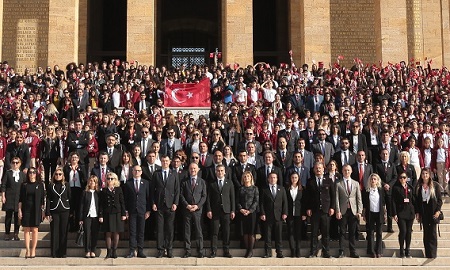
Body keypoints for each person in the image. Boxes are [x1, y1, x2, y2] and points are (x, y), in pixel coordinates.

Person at [305, 162, 335, 258]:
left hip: (325, 210)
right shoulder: (310, 181)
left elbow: (333, 195)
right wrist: (308, 208)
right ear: (314, 170)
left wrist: (332, 207)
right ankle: (313, 252)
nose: (318, 170)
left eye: (320, 168)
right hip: (314, 211)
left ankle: (326, 252)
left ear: (323, 169)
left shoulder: (329, 180)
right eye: (316, 168)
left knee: (325, 233)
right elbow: (307, 197)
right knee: (314, 233)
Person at [151, 156, 180, 258]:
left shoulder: (174, 174)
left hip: (170, 205)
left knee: (169, 229)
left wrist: (175, 203)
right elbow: (152, 190)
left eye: (167, 161)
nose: (165, 162)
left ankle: (169, 249)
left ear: (170, 162)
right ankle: (160, 249)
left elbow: (177, 190)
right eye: (163, 161)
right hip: (159, 205)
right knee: (159, 228)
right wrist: (153, 203)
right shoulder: (156, 174)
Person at [205, 164, 235, 258]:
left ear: (225, 172)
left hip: (226, 211)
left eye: (222, 171)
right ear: (215, 172)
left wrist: (233, 210)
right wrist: (209, 210)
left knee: (226, 231)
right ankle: (213, 251)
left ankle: (226, 251)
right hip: (215, 211)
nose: (220, 172)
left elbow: (232, 198)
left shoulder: (229, 183)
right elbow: (208, 198)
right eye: (218, 171)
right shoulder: (211, 183)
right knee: (214, 232)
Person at [123, 165, 151, 258]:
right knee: (132, 231)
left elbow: (148, 198)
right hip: (132, 211)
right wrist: (126, 210)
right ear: (132, 171)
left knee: (141, 231)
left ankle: (140, 251)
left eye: (139, 170)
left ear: (141, 172)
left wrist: (148, 210)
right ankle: (132, 250)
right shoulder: (128, 183)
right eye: (135, 170)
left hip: (142, 210)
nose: (137, 172)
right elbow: (125, 199)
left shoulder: (146, 183)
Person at [180, 162, 207, 258]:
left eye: (195, 168)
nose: (193, 170)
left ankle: (200, 250)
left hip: (197, 210)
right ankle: (187, 250)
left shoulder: (202, 182)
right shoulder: (184, 181)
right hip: (187, 210)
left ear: (198, 170)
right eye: (191, 168)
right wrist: (187, 205)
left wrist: (197, 206)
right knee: (187, 231)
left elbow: (204, 196)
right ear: (189, 170)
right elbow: (181, 195)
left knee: (199, 231)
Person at [414, 168, 443, 258]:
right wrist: (417, 212)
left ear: (429, 175)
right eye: (423, 173)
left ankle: (433, 253)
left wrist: (438, 211)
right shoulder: (419, 186)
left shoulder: (435, 185)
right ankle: (427, 253)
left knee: (433, 233)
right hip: (424, 211)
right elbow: (417, 201)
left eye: (426, 173)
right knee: (426, 233)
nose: (425, 175)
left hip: (433, 211)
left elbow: (439, 200)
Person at [335, 164, 362, 258]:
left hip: (353, 211)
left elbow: (359, 198)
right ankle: (341, 251)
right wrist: (337, 211)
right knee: (342, 232)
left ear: (351, 171)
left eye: (348, 170)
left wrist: (359, 211)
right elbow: (336, 199)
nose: (347, 172)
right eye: (345, 170)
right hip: (343, 211)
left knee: (352, 232)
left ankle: (352, 251)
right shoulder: (338, 183)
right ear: (342, 171)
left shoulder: (356, 183)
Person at [18, 167, 45, 258]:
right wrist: (19, 210)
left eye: (34, 172)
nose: (32, 174)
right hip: (26, 209)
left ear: (36, 174)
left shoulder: (40, 184)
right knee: (26, 229)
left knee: (34, 229)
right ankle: (27, 249)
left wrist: (43, 211)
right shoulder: (24, 185)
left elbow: (42, 200)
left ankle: (33, 249)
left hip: (36, 209)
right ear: (28, 174)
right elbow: (20, 199)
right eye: (30, 172)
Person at [260, 172, 288, 258]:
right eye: (271, 178)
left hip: (278, 216)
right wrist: (262, 213)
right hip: (268, 216)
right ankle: (268, 252)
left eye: (274, 177)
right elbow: (261, 203)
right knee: (267, 235)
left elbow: (285, 202)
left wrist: (285, 213)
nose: (273, 179)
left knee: (278, 235)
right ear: (268, 179)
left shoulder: (282, 189)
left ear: (277, 179)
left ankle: (279, 252)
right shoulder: (264, 189)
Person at [98, 172, 126, 259]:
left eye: (111, 178)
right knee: (108, 233)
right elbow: (101, 205)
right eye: (108, 178)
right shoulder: (103, 190)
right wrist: (101, 215)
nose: (109, 180)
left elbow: (122, 202)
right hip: (107, 213)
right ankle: (108, 251)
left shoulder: (119, 189)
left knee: (116, 232)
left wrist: (123, 213)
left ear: (115, 180)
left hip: (117, 212)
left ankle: (114, 251)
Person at [45, 168, 71, 258]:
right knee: (55, 231)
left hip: (65, 210)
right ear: (54, 175)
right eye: (56, 174)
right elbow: (48, 199)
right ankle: (54, 252)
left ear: (63, 175)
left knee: (63, 232)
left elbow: (70, 196)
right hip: (54, 210)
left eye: (60, 174)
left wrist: (71, 211)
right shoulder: (50, 185)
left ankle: (63, 252)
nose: (58, 176)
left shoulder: (66, 185)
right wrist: (47, 212)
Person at [1, 157, 26, 241]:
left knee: (17, 217)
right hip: (9, 197)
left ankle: (16, 233)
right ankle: (7, 233)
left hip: (18, 198)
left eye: (17, 162)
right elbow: (3, 185)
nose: (15, 164)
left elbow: (25, 187)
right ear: (11, 163)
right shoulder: (8, 173)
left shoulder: (22, 174)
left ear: (20, 164)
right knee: (8, 216)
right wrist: (3, 196)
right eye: (13, 162)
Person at [362, 173, 386, 258]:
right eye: (372, 179)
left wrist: (384, 213)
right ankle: (371, 251)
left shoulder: (380, 190)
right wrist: (364, 214)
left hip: (379, 213)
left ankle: (379, 250)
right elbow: (364, 204)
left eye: (375, 179)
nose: (373, 181)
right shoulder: (366, 191)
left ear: (377, 181)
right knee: (370, 232)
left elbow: (383, 203)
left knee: (379, 233)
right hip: (370, 213)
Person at [392, 172, 415, 258]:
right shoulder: (396, 188)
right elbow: (393, 201)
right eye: (401, 177)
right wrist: (394, 213)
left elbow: (413, 200)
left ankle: (407, 250)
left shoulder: (410, 188)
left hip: (410, 212)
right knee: (403, 231)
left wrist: (416, 212)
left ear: (407, 178)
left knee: (409, 232)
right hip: (401, 212)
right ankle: (401, 249)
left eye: (404, 177)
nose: (402, 179)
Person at [237, 171, 259, 258]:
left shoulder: (255, 188)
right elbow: (237, 200)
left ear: (251, 178)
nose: (246, 178)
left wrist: (249, 210)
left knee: (251, 232)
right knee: (245, 232)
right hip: (242, 213)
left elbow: (256, 201)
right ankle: (247, 248)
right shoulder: (240, 189)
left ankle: (250, 250)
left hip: (251, 213)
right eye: (245, 177)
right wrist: (241, 209)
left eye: (248, 176)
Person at [63, 152, 86, 231]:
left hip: (79, 189)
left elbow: (84, 178)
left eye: (76, 157)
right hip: (70, 189)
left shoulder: (81, 167)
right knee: (71, 207)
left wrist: (79, 170)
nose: (74, 159)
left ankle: (77, 225)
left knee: (78, 207)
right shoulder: (67, 167)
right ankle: (71, 225)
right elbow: (65, 178)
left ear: (78, 159)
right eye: (73, 157)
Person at [79, 175, 100, 258]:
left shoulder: (98, 193)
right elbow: (81, 206)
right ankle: (87, 250)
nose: (92, 182)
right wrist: (80, 218)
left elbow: (100, 205)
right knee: (87, 233)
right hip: (87, 215)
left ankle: (93, 250)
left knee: (94, 233)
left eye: (94, 181)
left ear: (96, 183)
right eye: (90, 181)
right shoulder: (85, 192)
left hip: (96, 216)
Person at [286, 172, 305, 258]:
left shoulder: (302, 189)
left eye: (296, 177)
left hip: (299, 213)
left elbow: (304, 202)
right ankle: (292, 250)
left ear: (298, 179)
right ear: (290, 178)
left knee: (298, 232)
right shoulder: (287, 189)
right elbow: (285, 202)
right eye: (292, 177)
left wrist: (304, 214)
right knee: (290, 232)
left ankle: (298, 250)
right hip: (289, 213)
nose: (294, 179)